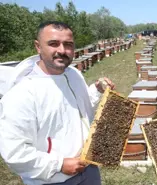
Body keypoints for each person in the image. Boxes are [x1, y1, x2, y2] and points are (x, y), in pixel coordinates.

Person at [0, 21, 115, 185]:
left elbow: (78, 108)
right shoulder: (21, 94)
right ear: (38, 47)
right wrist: (59, 165)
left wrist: (96, 90)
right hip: (52, 179)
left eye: (68, 45)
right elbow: (14, 152)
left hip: (88, 168)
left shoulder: (73, 74)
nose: (62, 50)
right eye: (54, 44)